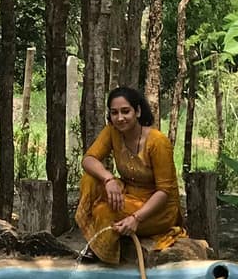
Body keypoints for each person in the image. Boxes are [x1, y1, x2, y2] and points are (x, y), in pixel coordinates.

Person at [76, 85, 186, 265]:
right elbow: (88, 159)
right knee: (90, 179)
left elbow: (164, 192)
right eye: (114, 113)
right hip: (128, 195)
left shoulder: (158, 142)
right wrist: (108, 179)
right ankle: (97, 239)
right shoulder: (112, 131)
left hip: (158, 209)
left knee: (104, 211)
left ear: (138, 111)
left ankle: (102, 251)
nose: (120, 118)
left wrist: (136, 218)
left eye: (125, 111)